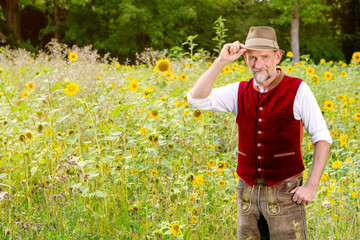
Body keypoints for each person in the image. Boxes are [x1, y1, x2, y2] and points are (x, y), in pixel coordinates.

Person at [187, 26, 332, 240]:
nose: (258, 64)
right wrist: (221, 61)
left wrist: (311, 185)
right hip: (247, 192)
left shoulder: (298, 89)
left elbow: (322, 137)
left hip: (285, 192)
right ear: (245, 58)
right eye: (252, 57)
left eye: (265, 57)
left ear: (278, 56)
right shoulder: (238, 91)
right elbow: (196, 99)